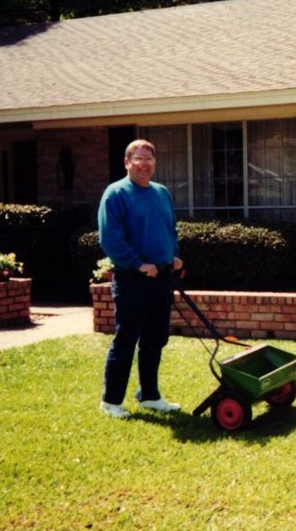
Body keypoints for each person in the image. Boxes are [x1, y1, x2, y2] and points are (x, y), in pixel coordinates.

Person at [97, 139, 184, 418]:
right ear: (127, 162)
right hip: (132, 279)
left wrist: (174, 255)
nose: (144, 164)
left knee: (155, 339)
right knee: (126, 340)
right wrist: (138, 265)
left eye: (149, 158)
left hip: (161, 278)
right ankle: (111, 402)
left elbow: (170, 230)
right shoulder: (116, 193)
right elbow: (110, 239)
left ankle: (149, 395)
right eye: (138, 158)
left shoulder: (161, 193)